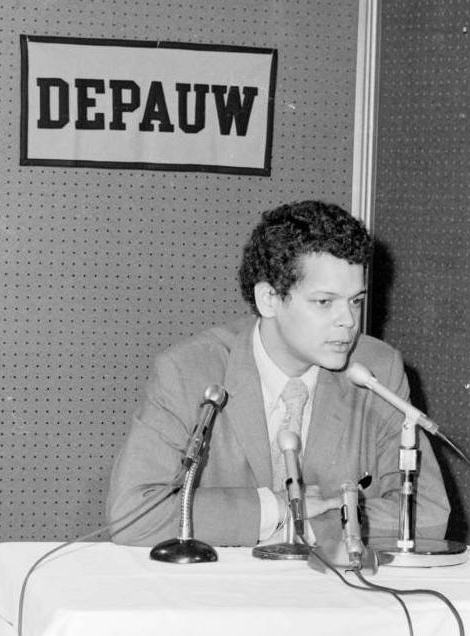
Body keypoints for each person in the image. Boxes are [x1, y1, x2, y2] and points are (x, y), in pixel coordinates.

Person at [107, 200, 450, 548]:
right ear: (269, 298)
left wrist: (322, 526)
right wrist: (280, 510)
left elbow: (429, 512)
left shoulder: (377, 370)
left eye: (356, 301)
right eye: (324, 302)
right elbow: (132, 514)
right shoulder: (189, 372)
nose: (348, 321)